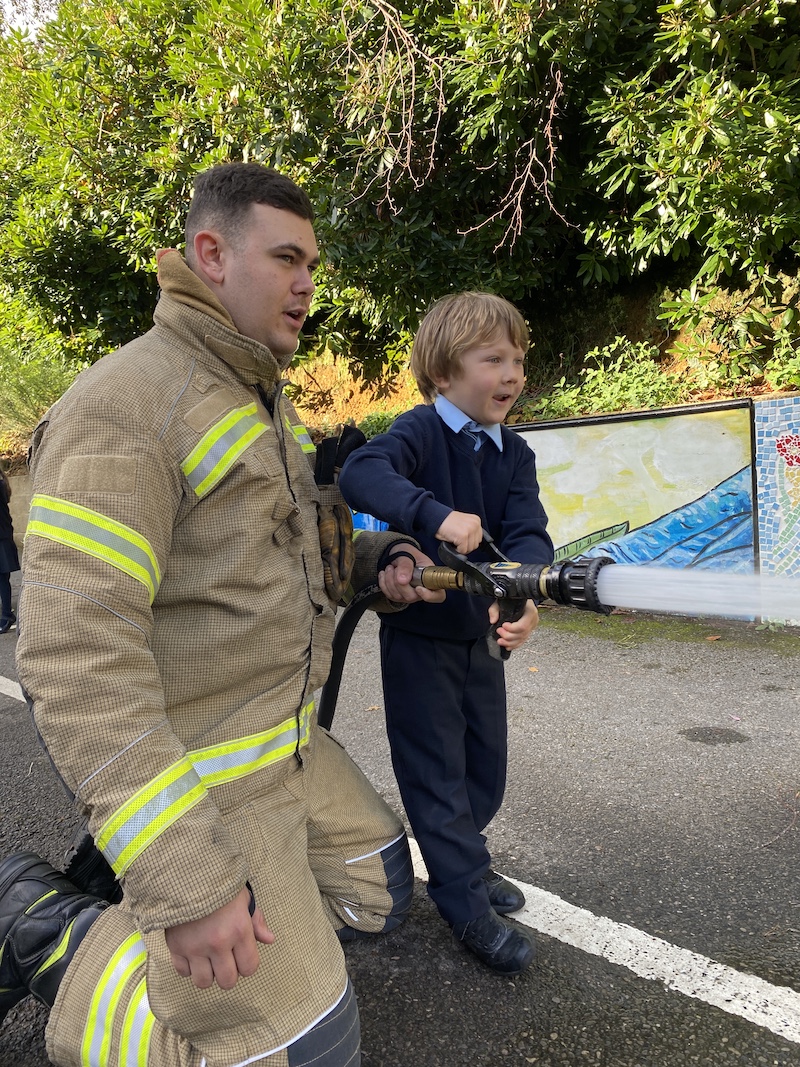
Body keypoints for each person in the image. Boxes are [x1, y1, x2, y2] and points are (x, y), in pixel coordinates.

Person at [1, 161, 444, 1067]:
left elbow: (268, 561)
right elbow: (74, 654)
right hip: (207, 780)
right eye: (286, 257)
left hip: (285, 746)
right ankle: (44, 924)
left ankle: (204, 921)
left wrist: (380, 561)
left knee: (379, 891)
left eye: (312, 262)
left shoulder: (253, 394)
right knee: (309, 1053)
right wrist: (186, 881)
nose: (308, 283)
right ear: (211, 253)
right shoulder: (127, 406)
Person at [338, 291, 554, 976]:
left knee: (483, 767)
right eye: (493, 358)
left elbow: (528, 533)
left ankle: (468, 857)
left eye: (517, 359)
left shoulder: (513, 453)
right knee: (436, 773)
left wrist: (528, 594)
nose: (512, 373)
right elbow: (359, 472)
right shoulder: (420, 431)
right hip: (421, 641)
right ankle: (463, 901)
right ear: (442, 373)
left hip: (481, 639)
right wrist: (433, 512)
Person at [0, 464, 20, 634]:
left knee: (2, 579)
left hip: (2, 539)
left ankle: (7, 616)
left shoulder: (0, 486)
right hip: (3, 538)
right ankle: (6, 614)